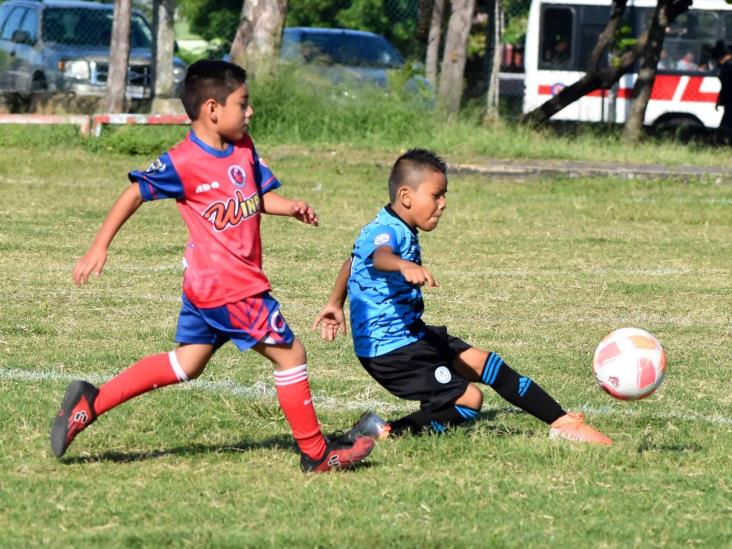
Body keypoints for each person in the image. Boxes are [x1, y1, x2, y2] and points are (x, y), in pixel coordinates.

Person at [50, 60, 375, 473]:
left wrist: (288, 207)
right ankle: (316, 454)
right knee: (291, 356)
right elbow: (133, 193)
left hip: (206, 290)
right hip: (232, 288)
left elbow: (254, 197)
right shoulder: (182, 161)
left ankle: (90, 402)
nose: (250, 111)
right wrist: (99, 246)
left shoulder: (243, 146)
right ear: (212, 109)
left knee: (187, 364)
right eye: (244, 103)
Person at [312, 148, 612, 445]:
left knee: (485, 363)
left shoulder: (394, 224)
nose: (442, 204)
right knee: (469, 401)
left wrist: (334, 303)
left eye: (444, 196)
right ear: (406, 196)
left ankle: (562, 422)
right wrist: (403, 265)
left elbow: (353, 261)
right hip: (391, 352)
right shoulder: (386, 231)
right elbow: (380, 257)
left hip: (411, 336)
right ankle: (383, 432)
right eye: (435, 195)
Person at [711, 40, 732, 132]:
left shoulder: (727, 66)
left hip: (730, 103)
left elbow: (726, 86)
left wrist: (720, 100)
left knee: (725, 128)